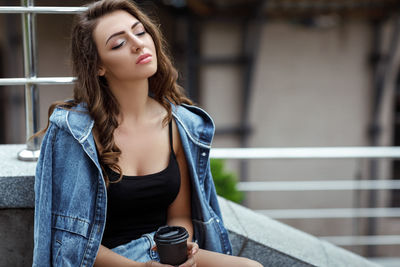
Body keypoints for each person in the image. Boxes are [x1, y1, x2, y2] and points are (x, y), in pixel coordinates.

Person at [33, 0, 263, 266]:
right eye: (118, 43)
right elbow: (72, 241)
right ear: (98, 67)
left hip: (159, 254)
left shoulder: (179, 124)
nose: (138, 44)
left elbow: (179, 218)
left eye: (140, 32)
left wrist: (179, 253)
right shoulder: (75, 133)